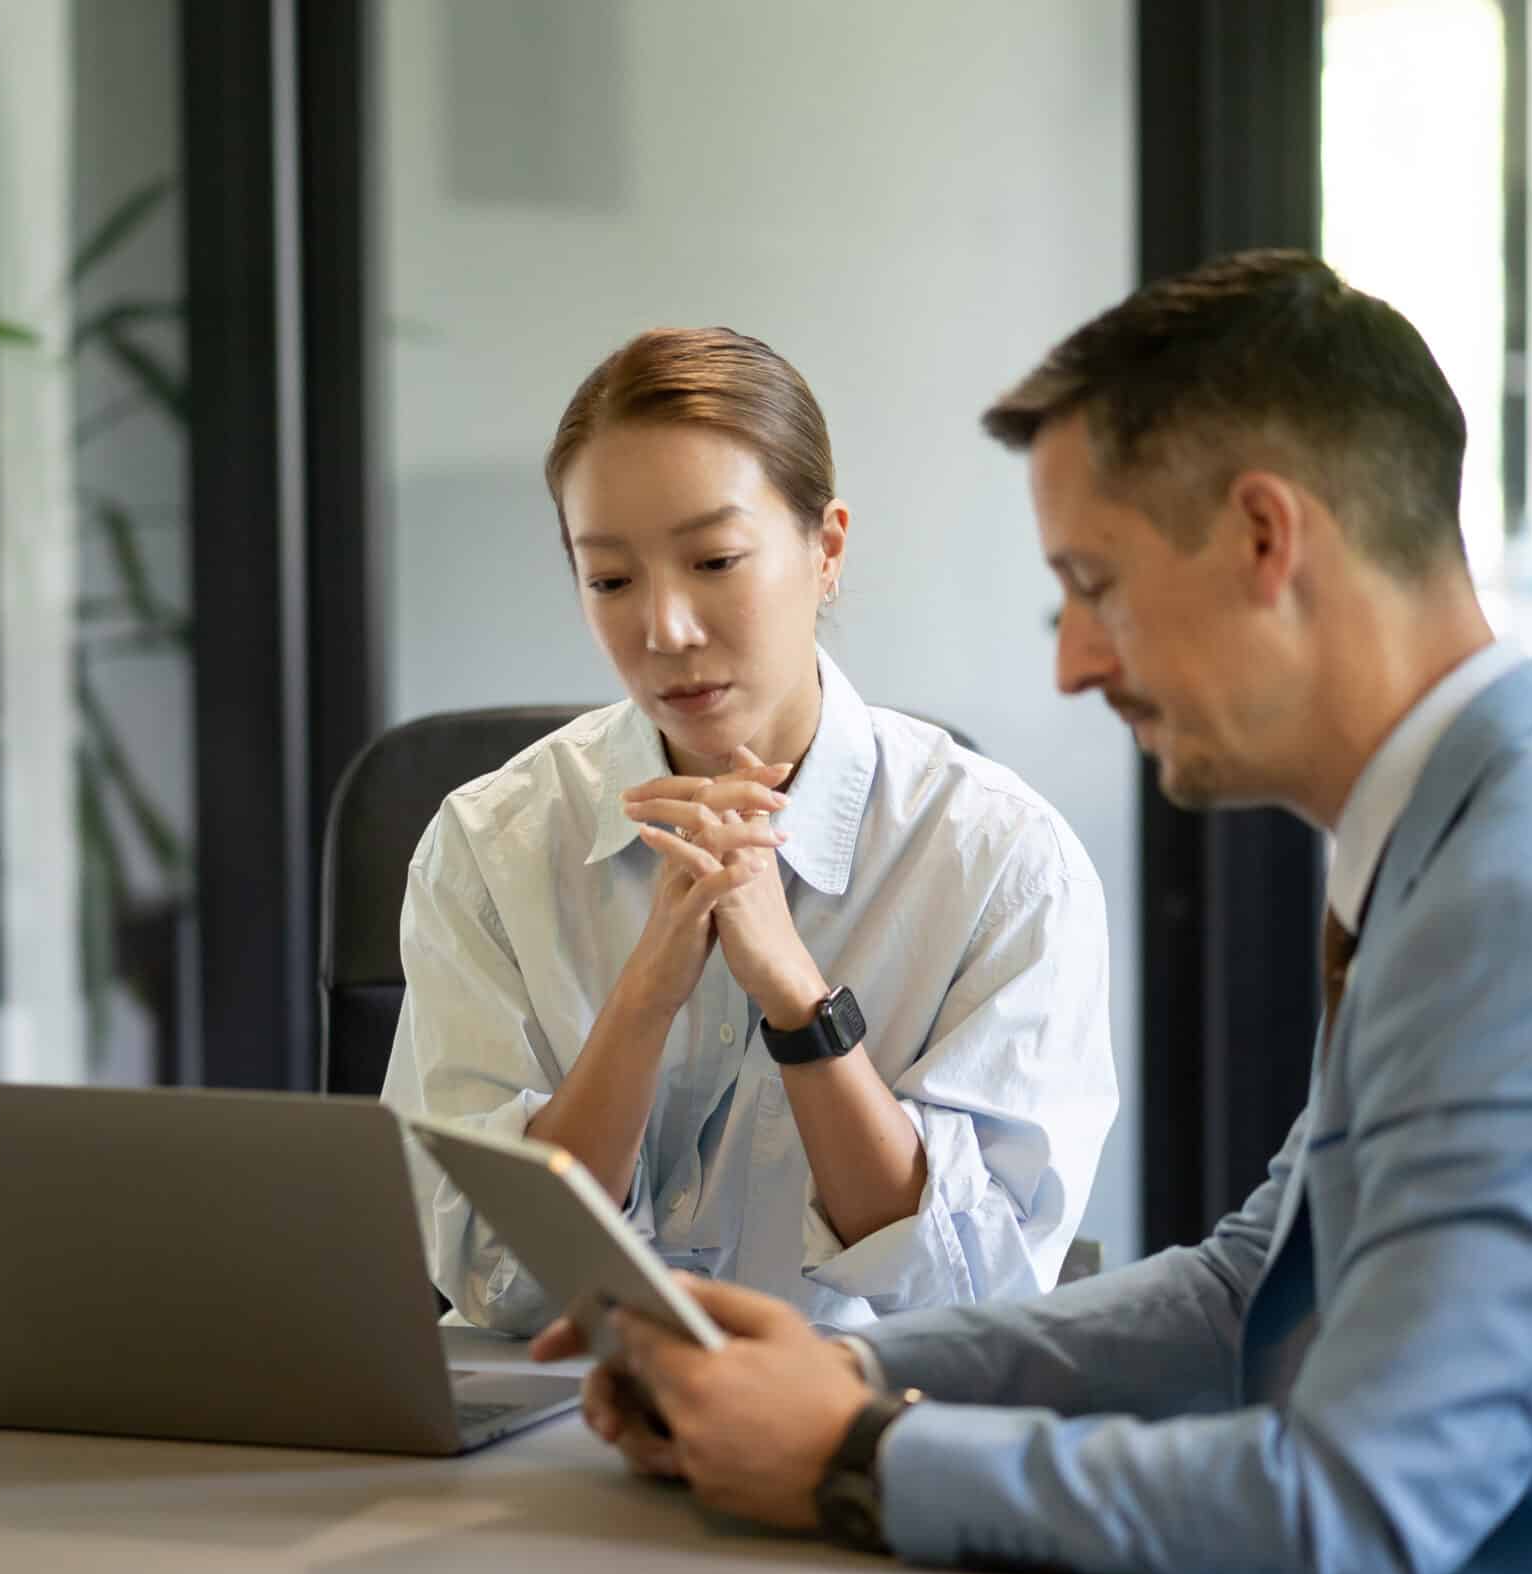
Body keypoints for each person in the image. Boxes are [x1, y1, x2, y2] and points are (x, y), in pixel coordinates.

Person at [544, 255, 1532, 1574]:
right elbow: (1244, 1291)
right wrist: (863, 1369)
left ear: (1267, 536)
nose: (1077, 663)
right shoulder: (1481, 838)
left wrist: (855, 1453)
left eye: (1095, 587)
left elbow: (1355, 1510)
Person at [385, 326, 1118, 1337]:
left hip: (845, 1437)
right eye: (609, 580)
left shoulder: (1002, 864)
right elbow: (491, 1279)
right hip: (542, 1434)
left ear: (826, 550)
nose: (665, 629)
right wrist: (645, 996)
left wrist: (798, 1001)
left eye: (715, 559)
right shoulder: (489, 845)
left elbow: (971, 1295)